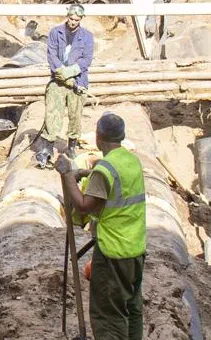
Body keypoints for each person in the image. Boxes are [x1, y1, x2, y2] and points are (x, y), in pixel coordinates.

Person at [56, 112, 145, 340]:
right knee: (131, 308)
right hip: (134, 248)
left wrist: (68, 177)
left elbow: (84, 205)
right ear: (122, 136)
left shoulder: (105, 170)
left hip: (112, 253)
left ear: (98, 137)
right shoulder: (130, 161)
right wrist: (86, 173)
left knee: (108, 315)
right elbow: (114, 183)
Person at [39, 4, 94, 163]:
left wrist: (72, 72)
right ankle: (47, 146)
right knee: (53, 112)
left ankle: (71, 147)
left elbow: (86, 59)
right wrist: (62, 72)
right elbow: (52, 55)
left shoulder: (87, 36)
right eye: (71, 19)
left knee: (75, 115)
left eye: (76, 20)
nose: (73, 22)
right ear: (67, 16)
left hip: (78, 80)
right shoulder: (56, 32)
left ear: (81, 19)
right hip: (58, 79)